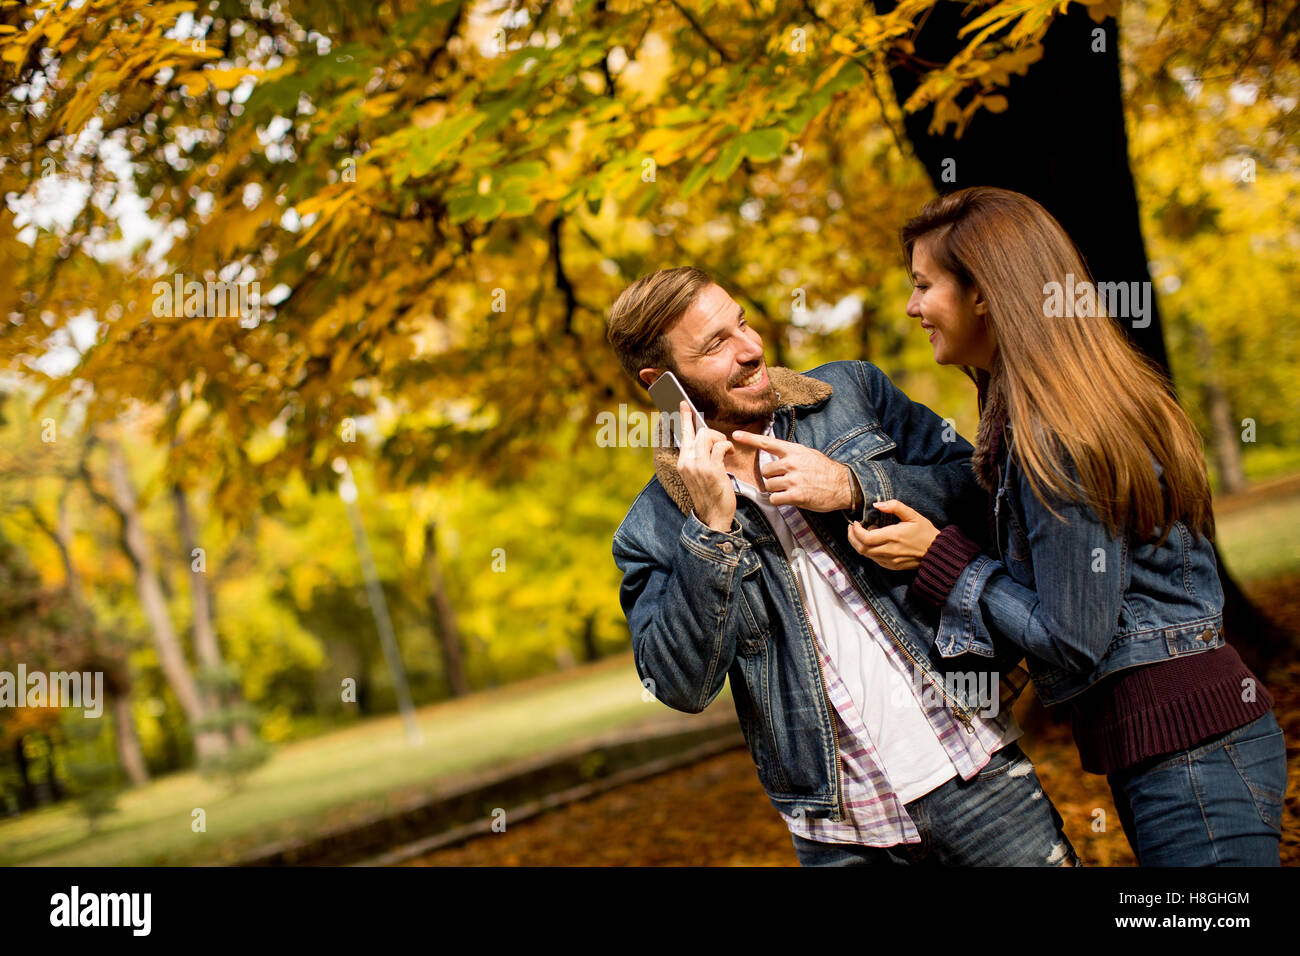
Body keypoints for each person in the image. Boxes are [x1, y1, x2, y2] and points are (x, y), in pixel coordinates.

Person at [850, 186, 1287, 866]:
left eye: (924, 285)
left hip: (1193, 759)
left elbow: (1072, 638)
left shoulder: (1055, 435)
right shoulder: (1065, 407)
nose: (911, 307)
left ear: (986, 293)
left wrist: (942, 560)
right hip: (1180, 748)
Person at [606, 265, 1080, 865]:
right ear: (661, 382)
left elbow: (985, 494)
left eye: (743, 323)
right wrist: (709, 531)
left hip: (976, 770)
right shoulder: (650, 529)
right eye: (716, 344)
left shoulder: (852, 394)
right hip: (841, 835)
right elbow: (678, 683)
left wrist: (856, 484)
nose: (752, 349)